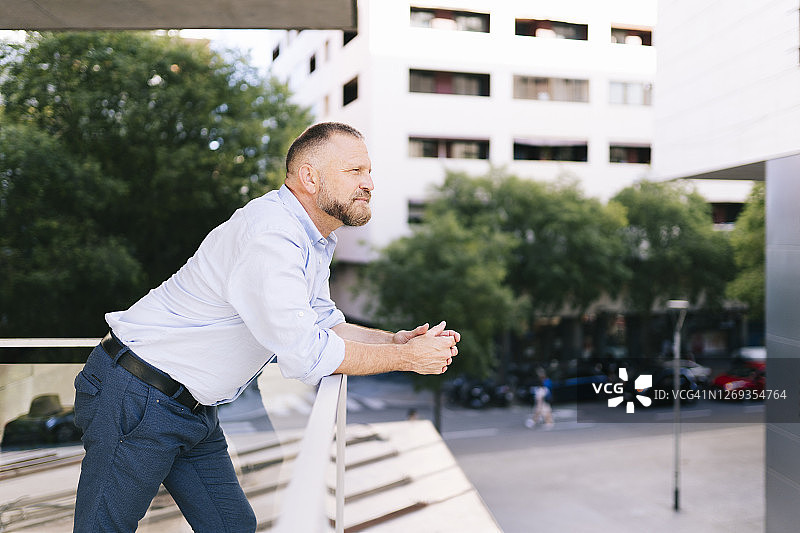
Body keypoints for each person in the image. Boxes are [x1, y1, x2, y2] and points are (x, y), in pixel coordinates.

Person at [72, 122, 460, 533]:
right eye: (354, 172)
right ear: (310, 177)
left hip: (191, 408)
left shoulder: (310, 239)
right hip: (137, 396)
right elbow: (306, 353)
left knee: (233, 526)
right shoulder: (271, 234)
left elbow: (326, 324)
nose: (369, 184)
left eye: (368, 172)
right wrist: (404, 358)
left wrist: (396, 340)